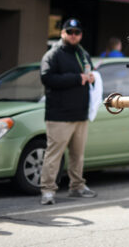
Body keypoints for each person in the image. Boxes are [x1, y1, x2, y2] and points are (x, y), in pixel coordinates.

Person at [39, 18, 97, 205]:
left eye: (77, 32)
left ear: (81, 35)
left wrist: (92, 79)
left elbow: (89, 77)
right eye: (69, 32)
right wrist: (76, 78)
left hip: (80, 114)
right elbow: (47, 78)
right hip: (59, 115)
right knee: (53, 155)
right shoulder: (53, 54)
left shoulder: (83, 54)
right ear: (63, 33)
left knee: (77, 155)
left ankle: (77, 186)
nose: (73, 35)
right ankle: (48, 191)